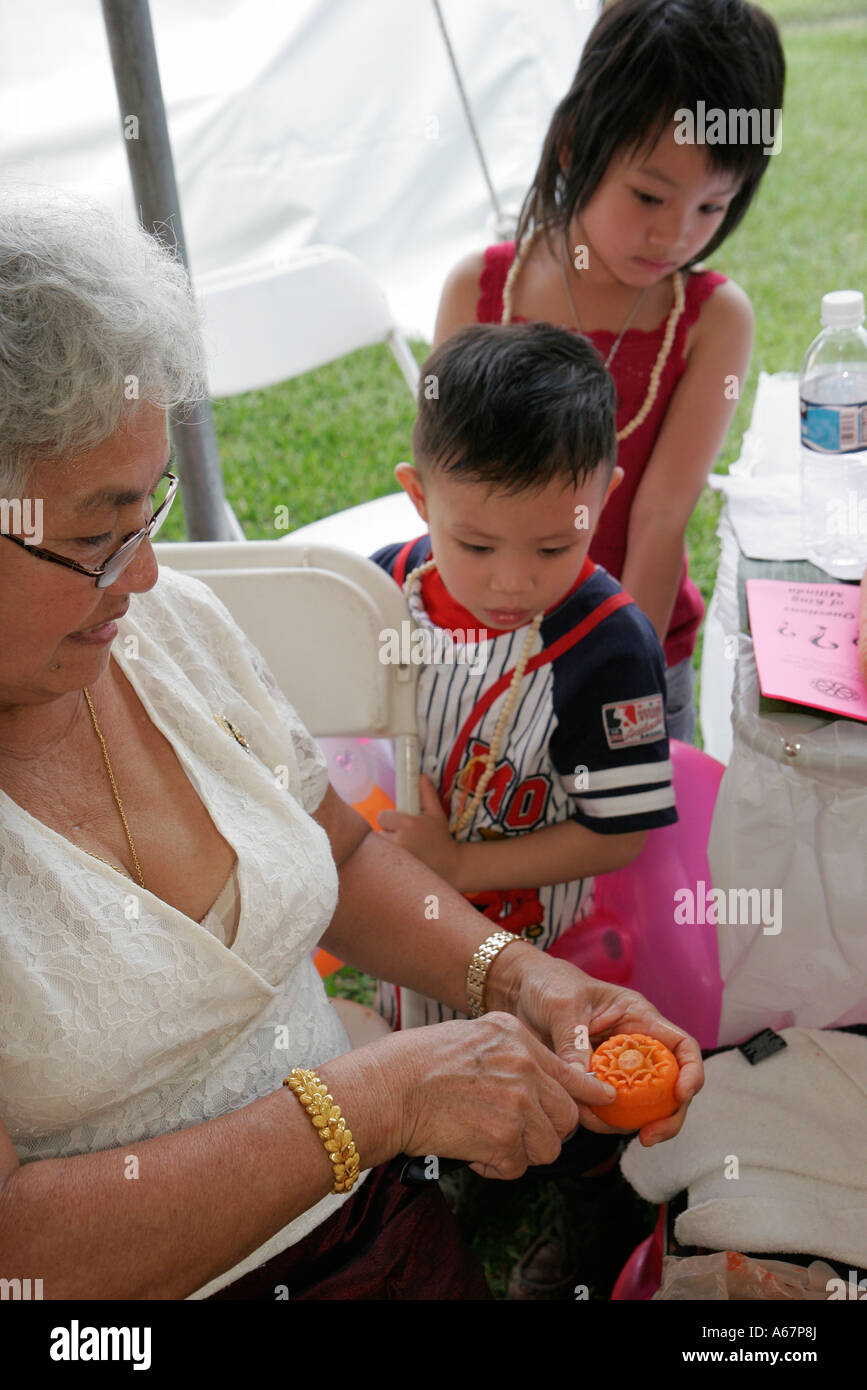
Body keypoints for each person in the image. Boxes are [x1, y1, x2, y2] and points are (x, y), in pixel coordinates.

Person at [0, 189, 704, 1302]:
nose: (143, 572)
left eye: (150, 513)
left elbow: (339, 853)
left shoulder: (165, 627)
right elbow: (18, 1253)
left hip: (372, 1224)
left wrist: (517, 975)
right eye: (97, 537)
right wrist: (371, 1102)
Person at [433, 0, 786, 744]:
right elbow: (453, 493)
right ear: (572, 148)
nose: (673, 234)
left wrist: (621, 682)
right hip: (486, 648)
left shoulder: (711, 320)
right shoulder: (479, 292)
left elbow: (658, 522)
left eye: (711, 206)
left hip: (635, 642)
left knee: (633, 848)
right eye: (649, 196)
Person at [371, 322, 677, 1030]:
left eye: (554, 545)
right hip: (404, 949)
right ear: (419, 498)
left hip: (552, 957)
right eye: (474, 544)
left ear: (603, 498)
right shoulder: (380, 588)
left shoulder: (609, 651)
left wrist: (456, 866)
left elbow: (620, 834)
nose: (510, 582)